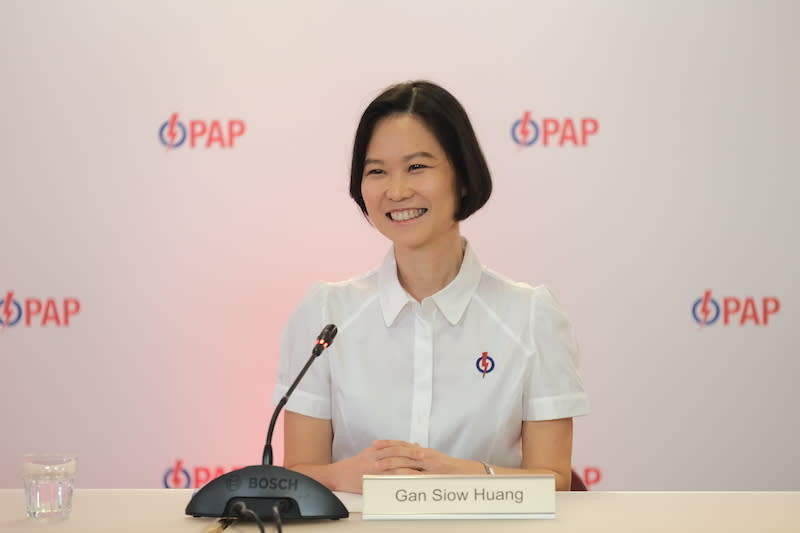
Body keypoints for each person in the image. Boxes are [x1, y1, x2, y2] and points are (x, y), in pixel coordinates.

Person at [272, 80, 588, 493]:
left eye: (417, 167)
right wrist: (347, 476)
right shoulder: (326, 312)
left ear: (462, 175)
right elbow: (296, 475)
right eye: (377, 171)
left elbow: (554, 483)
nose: (397, 190)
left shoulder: (531, 315)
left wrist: (460, 475)